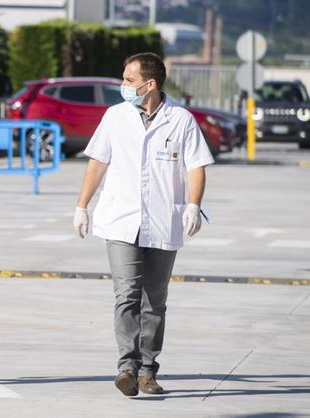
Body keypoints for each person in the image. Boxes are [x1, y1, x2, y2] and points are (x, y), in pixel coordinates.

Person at [73, 52, 214, 397]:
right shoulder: (114, 117)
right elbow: (97, 164)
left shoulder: (180, 120)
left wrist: (194, 205)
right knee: (126, 295)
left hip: (164, 220)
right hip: (121, 221)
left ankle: (148, 371)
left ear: (149, 84)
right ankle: (127, 367)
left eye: (128, 81)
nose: (123, 86)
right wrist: (82, 206)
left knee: (155, 301)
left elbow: (196, 166)